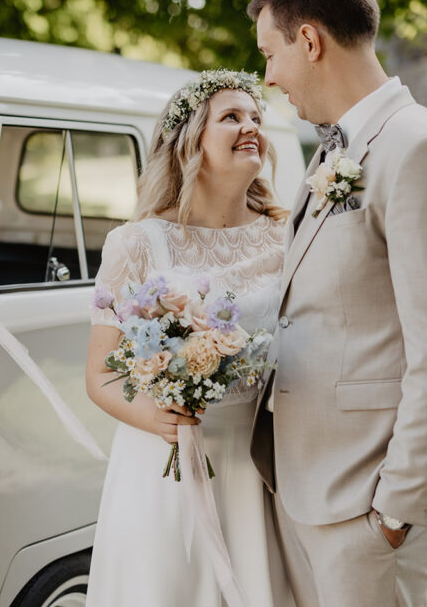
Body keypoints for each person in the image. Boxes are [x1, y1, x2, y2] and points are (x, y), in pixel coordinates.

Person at [247, 0, 427, 607]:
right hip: (308, 482)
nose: (268, 76)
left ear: (310, 41)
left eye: (270, 54)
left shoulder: (420, 148)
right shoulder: (335, 150)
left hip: (367, 502)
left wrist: (397, 510)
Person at [84, 70, 294, 606]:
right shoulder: (136, 243)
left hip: (258, 459)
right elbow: (102, 374)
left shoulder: (287, 232)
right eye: (231, 117)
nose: (250, 126)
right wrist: (156, 417)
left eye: (256, 117)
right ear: (190, 140)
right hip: (164, 463)